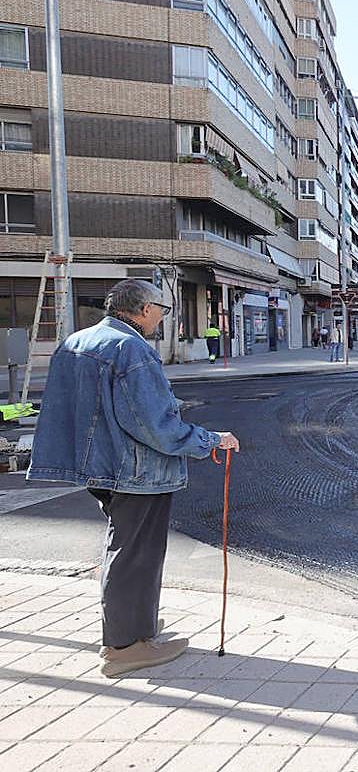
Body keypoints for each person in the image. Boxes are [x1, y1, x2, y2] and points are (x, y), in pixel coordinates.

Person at [28, 279, 240, 678]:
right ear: (144, 309)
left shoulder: (78, 341)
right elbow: (155, 426)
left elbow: (91, 407)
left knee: (124, 546)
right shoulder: (132, 349)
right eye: (162, 308)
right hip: (136, 469)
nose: (162, 316)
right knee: (135, 554)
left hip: (100, 466)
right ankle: (124, 647)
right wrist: (211, 439)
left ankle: (136, 626)